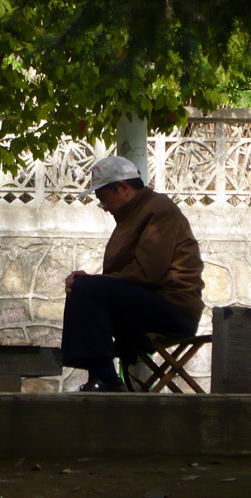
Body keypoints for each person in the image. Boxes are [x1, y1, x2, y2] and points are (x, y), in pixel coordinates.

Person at [61, 155, 205, 392]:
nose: (105, 208)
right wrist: (92, 283)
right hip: (151, 303)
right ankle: (100, 374)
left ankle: (105, 378)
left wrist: (93, 284)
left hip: (174, 309)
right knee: (82, 289)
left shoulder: (159, 210)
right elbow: (125, 277)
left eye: (104, 199)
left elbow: (149, 273)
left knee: (86, 288)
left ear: (124, 188)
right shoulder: (132, 214)